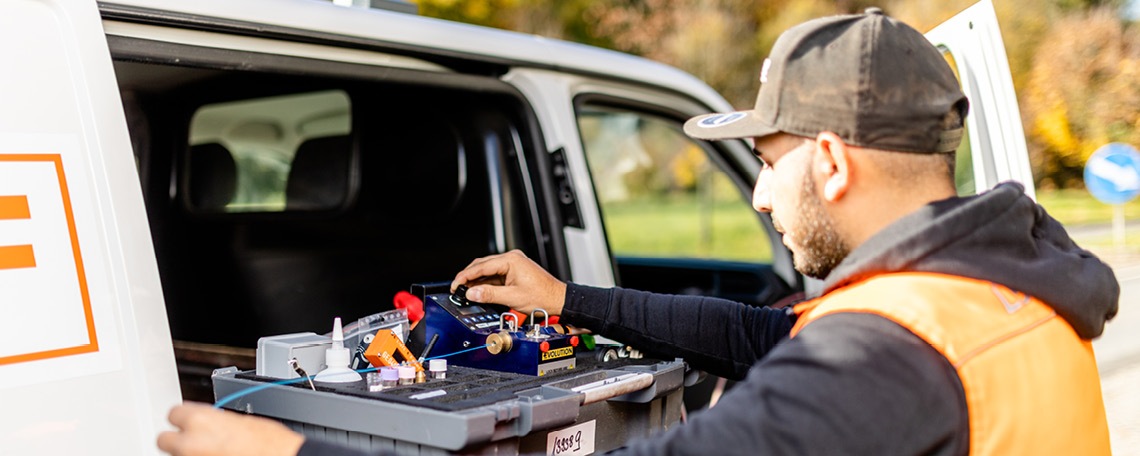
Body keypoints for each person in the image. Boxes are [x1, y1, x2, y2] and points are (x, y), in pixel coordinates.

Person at [158, 8, 1117, 456]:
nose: (760, 198)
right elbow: (760, 336)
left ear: (830, 161)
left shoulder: (885, 355)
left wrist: (295, 455)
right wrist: (567, 300)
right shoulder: (997, 297)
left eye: (770, 163)